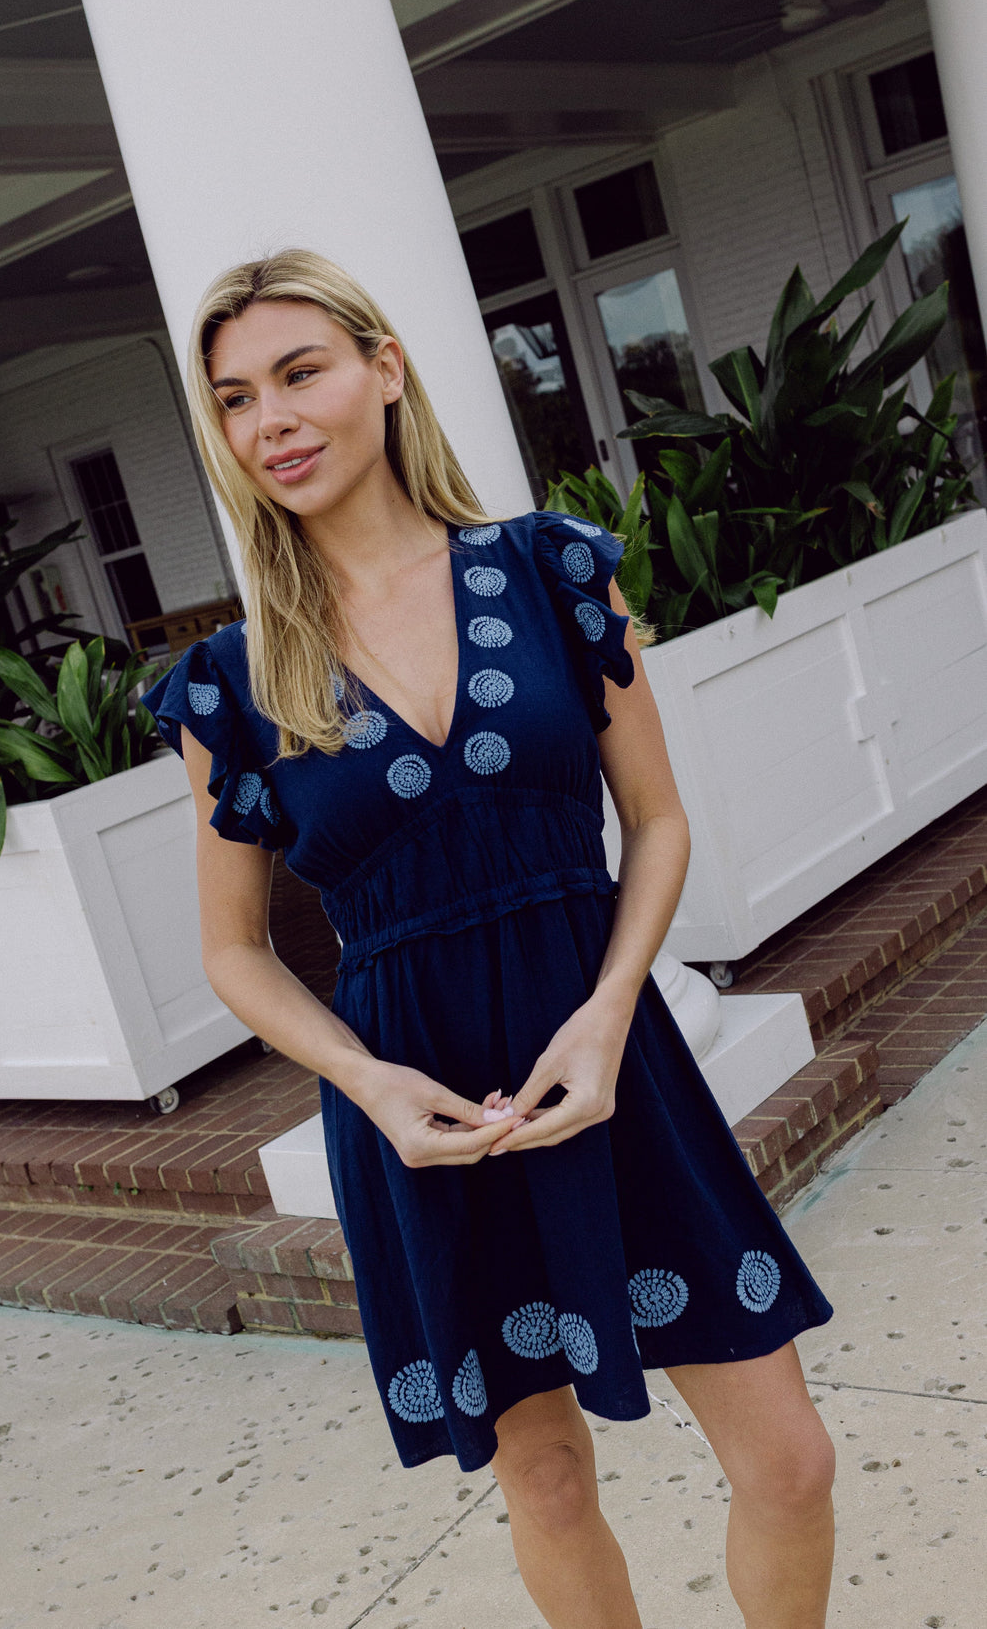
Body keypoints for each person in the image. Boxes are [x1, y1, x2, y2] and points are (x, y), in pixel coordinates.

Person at [142, 248, 837, 1629]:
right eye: (233, 400)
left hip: (608, 1056)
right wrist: (370, 1083)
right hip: (424, 1104)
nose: (268, 420)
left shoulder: (553, 569)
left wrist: (610, 1009)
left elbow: (655, 820)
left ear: (384, 369)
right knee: (551, 1482)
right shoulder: (232, 681)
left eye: (299, 372)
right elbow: (234, 950)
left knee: (790, 1458)